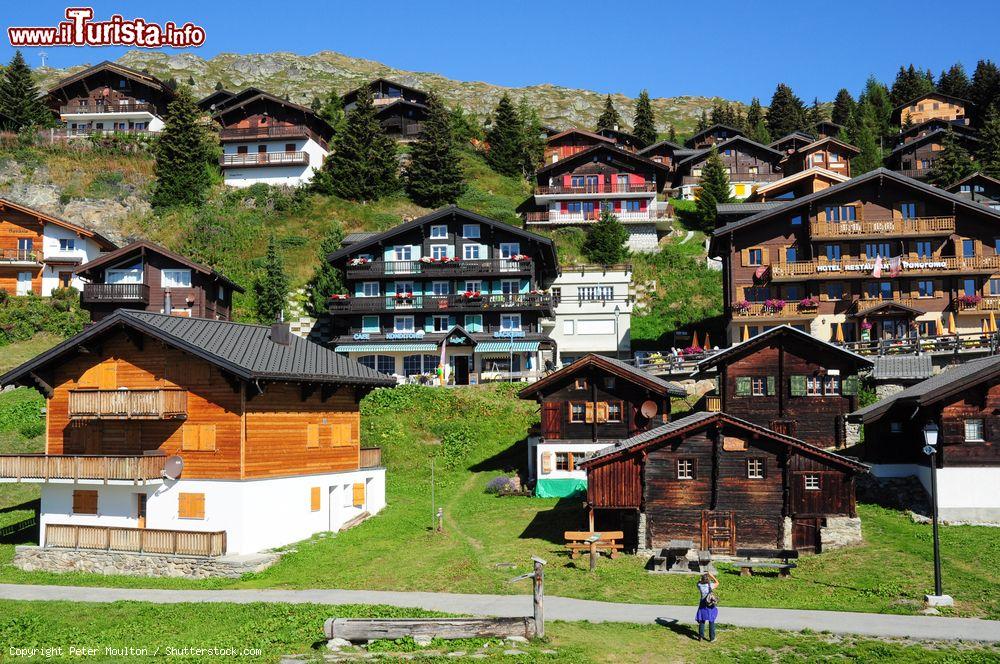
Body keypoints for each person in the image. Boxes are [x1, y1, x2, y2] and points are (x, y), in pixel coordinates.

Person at [695, 571, 719, 641]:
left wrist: (701, 579)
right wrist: (712, 576)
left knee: (702, 620)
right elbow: (717, 582)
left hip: (702, 604)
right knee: (711, 620)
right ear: (708, 580)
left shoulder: (699, 585)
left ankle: (700, 636)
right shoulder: (710, 585)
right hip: (709, 604)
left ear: (702, 580)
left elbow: (698, 582)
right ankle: (712, 638)